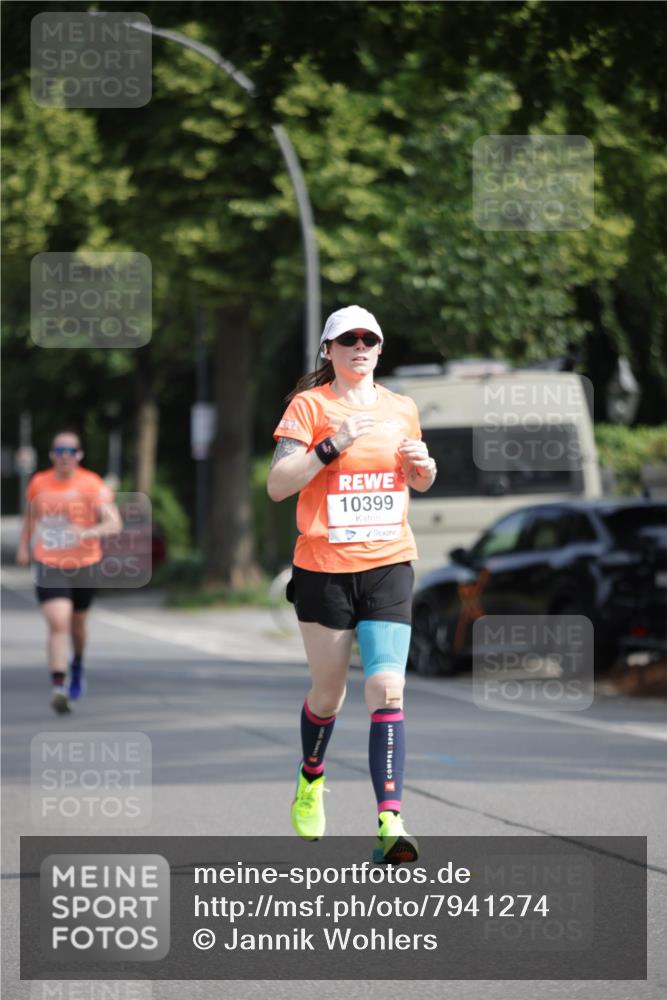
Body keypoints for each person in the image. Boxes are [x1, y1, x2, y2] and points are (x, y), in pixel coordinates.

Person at [267, 305, 437, 863]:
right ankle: (311, 776)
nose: (360, 346)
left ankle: (390, 820)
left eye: (369, 339)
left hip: (389, 562)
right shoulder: (309, 407)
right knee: (330, 693)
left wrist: (424, 468)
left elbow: (417, 479)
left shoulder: (402, 408)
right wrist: (332, 443)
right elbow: (277, 485)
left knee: (387, 688)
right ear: (329, 350)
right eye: (348, 339)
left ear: (380, 349)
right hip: (323, 569)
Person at [16, 428, 122, 714]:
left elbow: (114, 523)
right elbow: (31, 517)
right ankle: (58, 686)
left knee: (77, 625)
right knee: (58, 622)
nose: (65, 456)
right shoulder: (39, 483)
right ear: (52, 455)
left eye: (71, 451)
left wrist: (86, 532)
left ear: (79, 455)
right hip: (49, 562)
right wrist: (24, 546)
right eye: (60, 451)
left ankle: (77, 664)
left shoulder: (92, 483)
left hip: (85, 563)